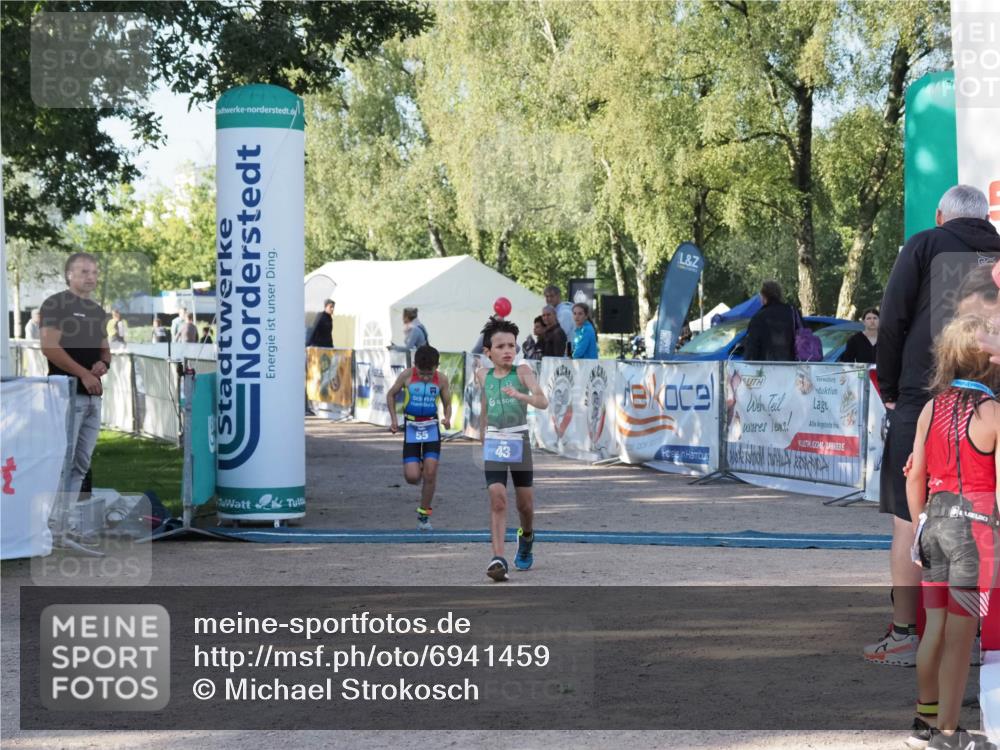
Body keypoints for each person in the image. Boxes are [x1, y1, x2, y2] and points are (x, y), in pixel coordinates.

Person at [870, 185, 1000, 668]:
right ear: (986, 217)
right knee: (990, 510)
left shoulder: (924, 243)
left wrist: (888, 385)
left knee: (910, 512)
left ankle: (905, 632)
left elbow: (893, 318)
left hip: (923, 397)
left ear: (941, 214)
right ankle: (986, 632)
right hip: (991, 402)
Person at [902, 314, 1000, 750]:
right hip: (973, 537)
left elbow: (913, 476)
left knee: (934, 630)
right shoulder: (994, 413)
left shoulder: (931, 407)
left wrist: (919, 521)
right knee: (961, 641)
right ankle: (948, 734)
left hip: (933, 526)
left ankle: (925, 722)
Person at [476, 317, 549, 581]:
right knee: (497, 498)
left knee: (525, 505)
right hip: (495, 442)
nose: (508, 350)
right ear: (488, 352)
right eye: (501, 346)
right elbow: (485, 404)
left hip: (519, 440)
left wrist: (521, 396)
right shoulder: (482, 374)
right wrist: (482, 433)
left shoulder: (523, 371)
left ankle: (526, 536)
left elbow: (543, 401)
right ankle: (498, 558)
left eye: (512, 345)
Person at [39, 252, 110, 505]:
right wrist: (83, 374)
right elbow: (49, 347)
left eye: (94, 272)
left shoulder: (98, 310)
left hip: (92, 396)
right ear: (70, 275)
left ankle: (66, 521)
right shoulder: (55, 304)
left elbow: (105, 349)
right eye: (84, 272)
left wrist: (103, 364)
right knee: (61, 460)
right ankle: (50, 522)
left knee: (81, 463)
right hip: (65, 394)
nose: (91, 277)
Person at [386, 345, 452, 531]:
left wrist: (448, 418)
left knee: (430, 473)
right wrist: (393, 420)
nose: (424, 377)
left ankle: (424, 515)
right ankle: (422, 468)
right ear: (415, 366)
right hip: (412, 428)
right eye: (421, 373)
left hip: (431, 427)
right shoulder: (407, 375)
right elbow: (391, 394)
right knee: (413, 477)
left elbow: (448, 403)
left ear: (436, 367)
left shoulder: (442, 380)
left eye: (429, 374)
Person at [742, 280, 796, 362]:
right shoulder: (793, 312)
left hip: (766, 367)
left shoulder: (758, 317)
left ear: (763, 297)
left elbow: (752, 348)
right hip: (793, 366)